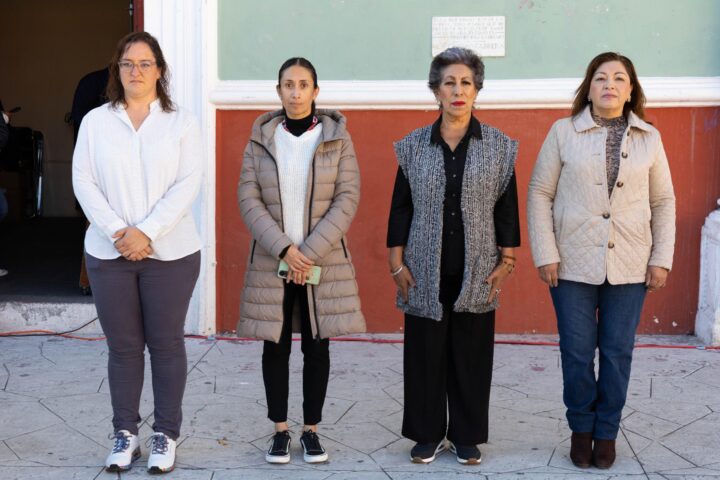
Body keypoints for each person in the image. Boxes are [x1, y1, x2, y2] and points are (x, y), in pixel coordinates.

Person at [527, 52, 675, 470]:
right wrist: (545, 252)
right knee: (576, 351)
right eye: (600, 78)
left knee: (616, 352)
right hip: (571, 260)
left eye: (619, 78)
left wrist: (661, 257)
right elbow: (540, 192)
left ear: (631, 91)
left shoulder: (649, 138)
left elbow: (663, 201)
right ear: (588, 88)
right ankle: (581, 429)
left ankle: (606, 432)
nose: (609, 84)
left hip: (630, 261)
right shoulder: (563, 132)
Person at [72, 31, 203, 474]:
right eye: (127, 63)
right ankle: (125, 433)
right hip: (108, 253)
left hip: (172, 253)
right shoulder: (96, 122)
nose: (136, 71)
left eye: (145, 63)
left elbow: (187, 184)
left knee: (166, 344)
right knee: (124, 347)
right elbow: (83, 181)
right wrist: (118, 232)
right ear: (117, 70)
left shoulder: (181, 122)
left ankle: (165, 434)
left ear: (159, 70)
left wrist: (146, 232)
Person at [387, 47, 520, 465]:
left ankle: (466, 436)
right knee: (425, 354)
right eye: (449, 83)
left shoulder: (498, 147)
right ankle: (426, 434)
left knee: (471, 354)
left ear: (477, 89)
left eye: (466, 82)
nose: (458, 91)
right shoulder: (413, 146)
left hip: (477, 267)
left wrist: (507, 261)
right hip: (423, 267)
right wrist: (396, 263)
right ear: (436, 91)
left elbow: (506, 208)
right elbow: (401, 207)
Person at [237, 57, 365, 465]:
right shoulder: (261, 139)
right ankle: (279, 431)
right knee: (275, 347)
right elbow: (248, 198)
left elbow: (347, 198)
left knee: (317, 346)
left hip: (319, 262)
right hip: (273, 261)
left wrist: (307, 252)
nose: (295, 93)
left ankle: (311, 430)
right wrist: (284, 249)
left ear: (315, 91)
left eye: (303, 84)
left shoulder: (336, 139)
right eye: (288, 85)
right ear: (278, 91)